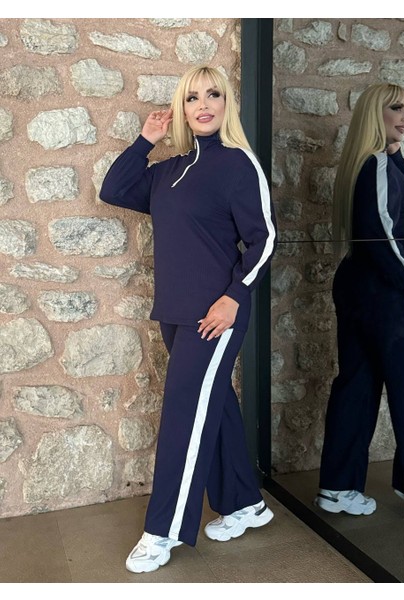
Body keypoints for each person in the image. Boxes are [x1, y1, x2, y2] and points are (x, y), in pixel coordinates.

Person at [100, 65, 277, 572]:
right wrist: (146, 139)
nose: (203, 105)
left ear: (226, 104)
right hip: (174, 313)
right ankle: (245, 503)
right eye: (192, 97)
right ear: (181, 107)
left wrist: (234, 297)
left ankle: (163, 531)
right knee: (211, 405)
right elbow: (114, 189)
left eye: (213, 94)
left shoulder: (238, 164)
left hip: (215, 315)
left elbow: (264, 239)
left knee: (183, 412)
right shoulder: (168, 171)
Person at [315, 82, 404, 516]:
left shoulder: (381, 164)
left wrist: (398, 155)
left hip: (363, 290)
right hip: (387, 295)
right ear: (374, 114)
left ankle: (338, 487)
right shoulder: (377, 163)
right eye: (396, 108)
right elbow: (382, 235)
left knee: (356, 386)